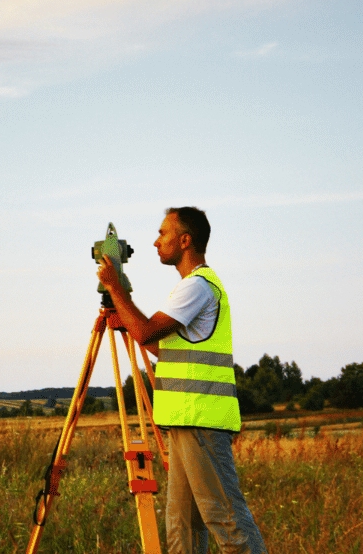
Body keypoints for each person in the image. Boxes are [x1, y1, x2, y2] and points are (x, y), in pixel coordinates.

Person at [98, 206, 267, 554]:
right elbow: (155, 344)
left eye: (163, 233)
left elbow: (145, 330)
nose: (156, 241)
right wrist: (120, 296)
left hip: (200, 421)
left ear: (185, 240)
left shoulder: (197, 286)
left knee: (228, 521)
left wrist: (116, 289)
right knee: (183, 526)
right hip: (184, 422)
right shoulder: (194, 289)